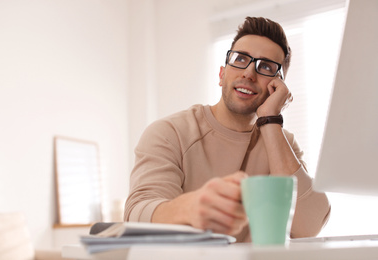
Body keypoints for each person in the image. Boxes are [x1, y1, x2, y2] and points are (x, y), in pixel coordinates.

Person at [124, 16, 331, 242]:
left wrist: (271, 121)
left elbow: (309, 227)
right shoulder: (169, 133)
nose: (249, 73)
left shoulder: (282, 143)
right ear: (222, 74)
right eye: (240, 59)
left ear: (278, 88)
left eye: (266, 67)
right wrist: (188, 209)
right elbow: (137, 215)